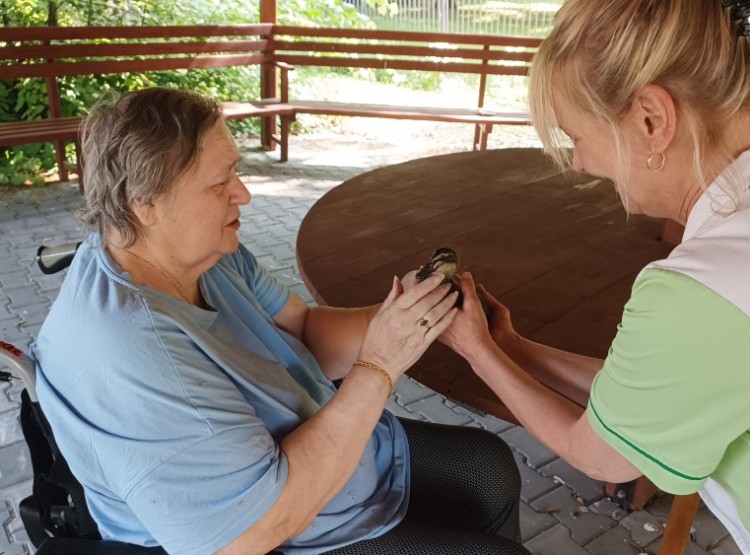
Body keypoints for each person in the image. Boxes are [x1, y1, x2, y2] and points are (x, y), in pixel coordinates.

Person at [31, 87, 530, 555]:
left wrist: (409, 316)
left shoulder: (200, 251)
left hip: (313, 453)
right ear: (146, 204)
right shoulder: (131, 349)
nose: (243, 194)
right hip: (271, 526)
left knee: (488, 468)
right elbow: (250, 532)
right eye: (219, 183)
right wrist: (379, 365)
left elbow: (305, 331)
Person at [438, 0, 750, 552]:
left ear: (652, 120)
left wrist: (476, 353)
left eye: (576, 135)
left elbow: (605, 453)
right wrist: (510, 346)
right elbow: (648, 393)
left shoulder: (701, 288)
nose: (579, 162)